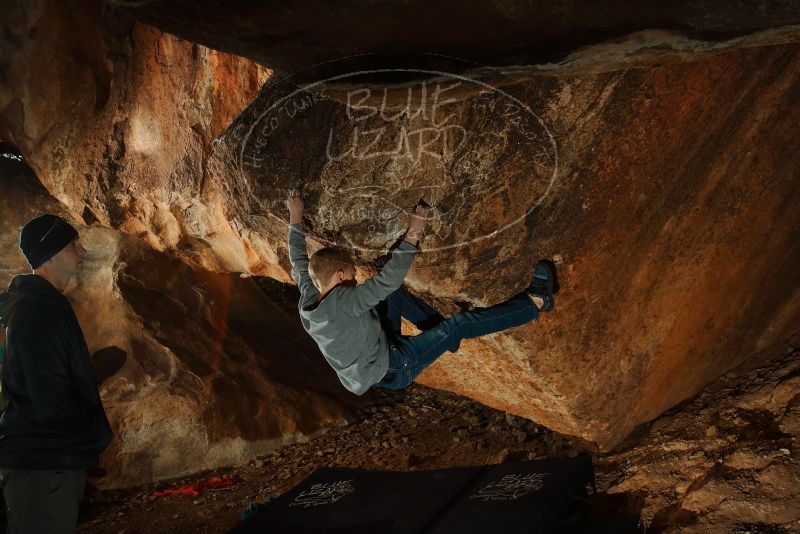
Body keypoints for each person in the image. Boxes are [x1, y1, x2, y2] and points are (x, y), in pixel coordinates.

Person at [285, 189, 557, 395]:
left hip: (377, 353)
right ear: (339, 276)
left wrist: (295, 215)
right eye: (354, 277)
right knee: (457, 325)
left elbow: (298, 262)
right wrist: (414, 231)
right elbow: (387, 281)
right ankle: (536, 302)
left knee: (393, 299)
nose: (356, 281)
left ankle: (441, 337)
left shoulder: (308, 300)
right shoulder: (346, 301)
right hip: (394, 366)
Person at [0, 214, 112, 534]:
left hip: (45, 462)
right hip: (43, 464)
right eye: (72, 245)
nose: (83, 251)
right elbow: (50, 400)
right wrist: (93, 433)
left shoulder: (41, 305)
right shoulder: (38, 311)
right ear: (49, 255)